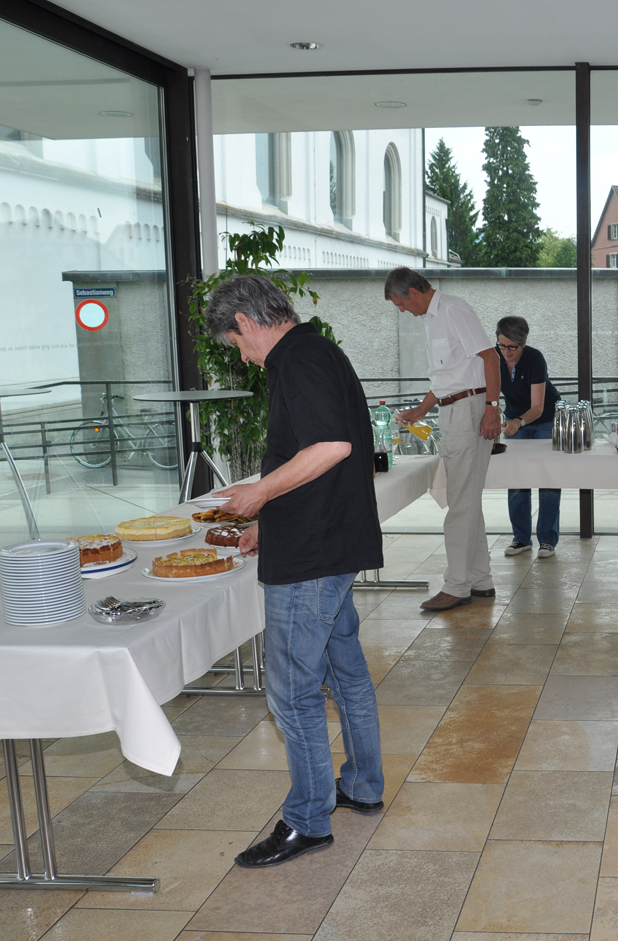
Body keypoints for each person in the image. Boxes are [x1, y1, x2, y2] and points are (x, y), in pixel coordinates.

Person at [204, 275, 385, 868]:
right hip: (327, 541)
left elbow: (331, 447)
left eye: (236, 344)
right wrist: (270, 519)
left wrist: (258, 494)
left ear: (245, 323)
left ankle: (308, 820)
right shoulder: (316, 351)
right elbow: (317, 457)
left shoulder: (298, 360)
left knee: (292, 692)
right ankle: (362, 785)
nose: (242, 356)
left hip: (312, 557)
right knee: (346, 673)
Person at [384, 267, 501, 612]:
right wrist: (421, 410)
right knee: (467, 498)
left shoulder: (453, 309)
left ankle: (457, 586)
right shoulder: (430, 319)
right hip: (453, 409)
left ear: (413, 292)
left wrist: (492, 408)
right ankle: (479, 579)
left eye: (401, 304)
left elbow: (490, 357)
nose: (402, 311)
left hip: (469, 409)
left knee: (460, 501)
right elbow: (447, 377)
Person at [495, 315, 561, 559]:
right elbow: (489, 394)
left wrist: (519, 422)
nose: (506, 352)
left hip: (545, 419)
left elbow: (537, 407)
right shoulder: (493, 357)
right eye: (502, 345)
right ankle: (521, 539)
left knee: (548, 478)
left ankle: (547, 540)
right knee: (517, 477)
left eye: (512, 347)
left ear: (523, 344)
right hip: (514, 418)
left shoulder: (535, 359)